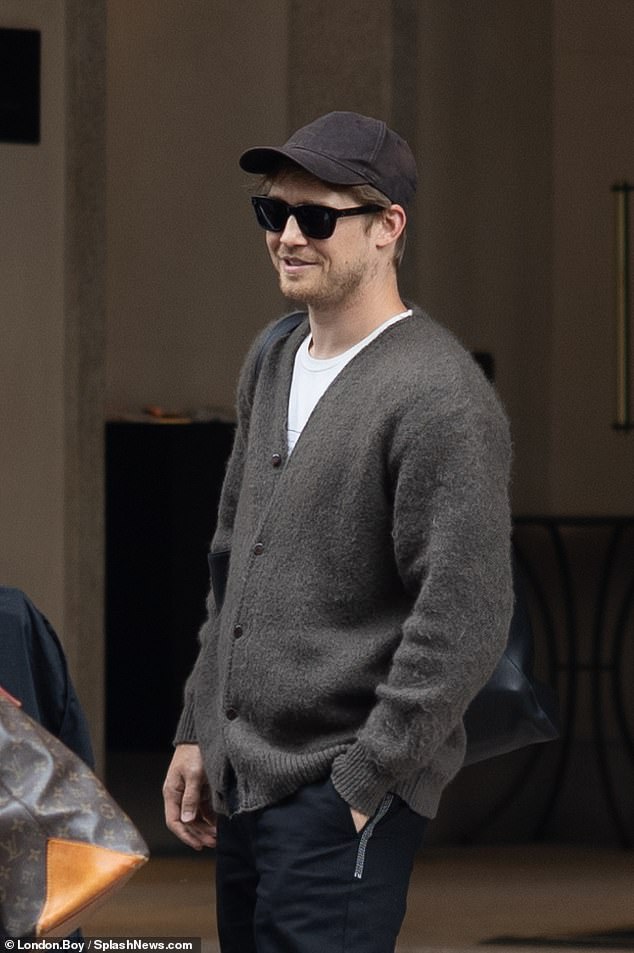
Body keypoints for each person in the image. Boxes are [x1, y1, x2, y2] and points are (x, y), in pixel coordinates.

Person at [163, 110, 513, 953]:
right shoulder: (273, 357)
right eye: (272, 213)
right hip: (246, 780)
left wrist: (365, 778)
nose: (287, 235)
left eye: (317, 217)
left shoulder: (438, 396)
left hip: (339, 790)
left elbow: (465, 618)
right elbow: (229, 564)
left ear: (388, 227)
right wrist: (196, 727)